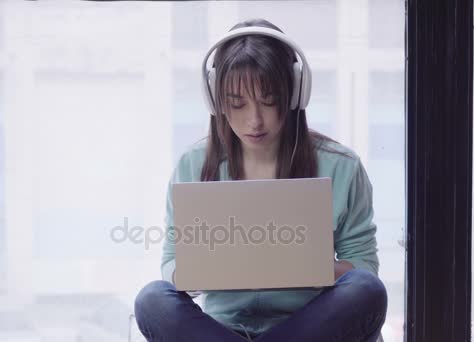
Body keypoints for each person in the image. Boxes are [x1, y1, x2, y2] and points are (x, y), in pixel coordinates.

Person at [134, 18, 387, 342]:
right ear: (216, 100)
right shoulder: (193, 165)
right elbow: (171, 264)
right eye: (237, 104)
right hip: (221, 329)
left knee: (366, 291)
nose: (254, 120)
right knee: (152, 300)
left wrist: (308, 268)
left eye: (269, 101)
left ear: (294, 93)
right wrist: (203, 271)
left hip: (310, 327)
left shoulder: (341, 166)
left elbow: (364, 268)